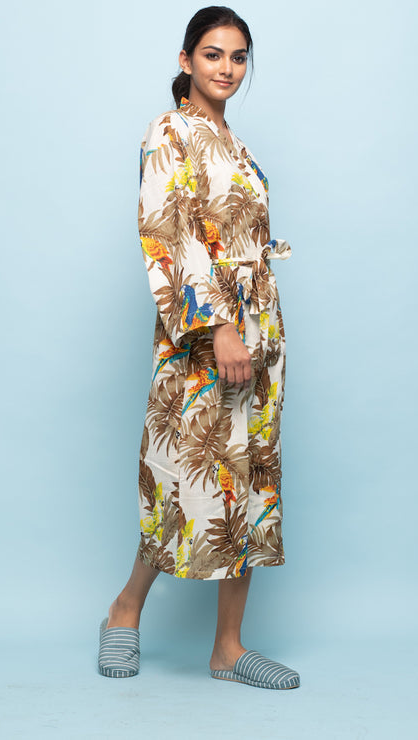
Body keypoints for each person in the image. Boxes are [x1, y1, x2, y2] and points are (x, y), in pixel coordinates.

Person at [98, 6, 299, 690]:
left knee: (250, 481)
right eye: (213, 54)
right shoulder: (170, 131)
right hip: (205, 334)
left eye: (239, 57)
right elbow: (167, 231)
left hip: (259, 332)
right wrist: (217, 327)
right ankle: (125, 609)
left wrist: (256, 329)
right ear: (186, 61)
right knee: (181, 479)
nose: (227, 68)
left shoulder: (235, 144)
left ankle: (228, 648)